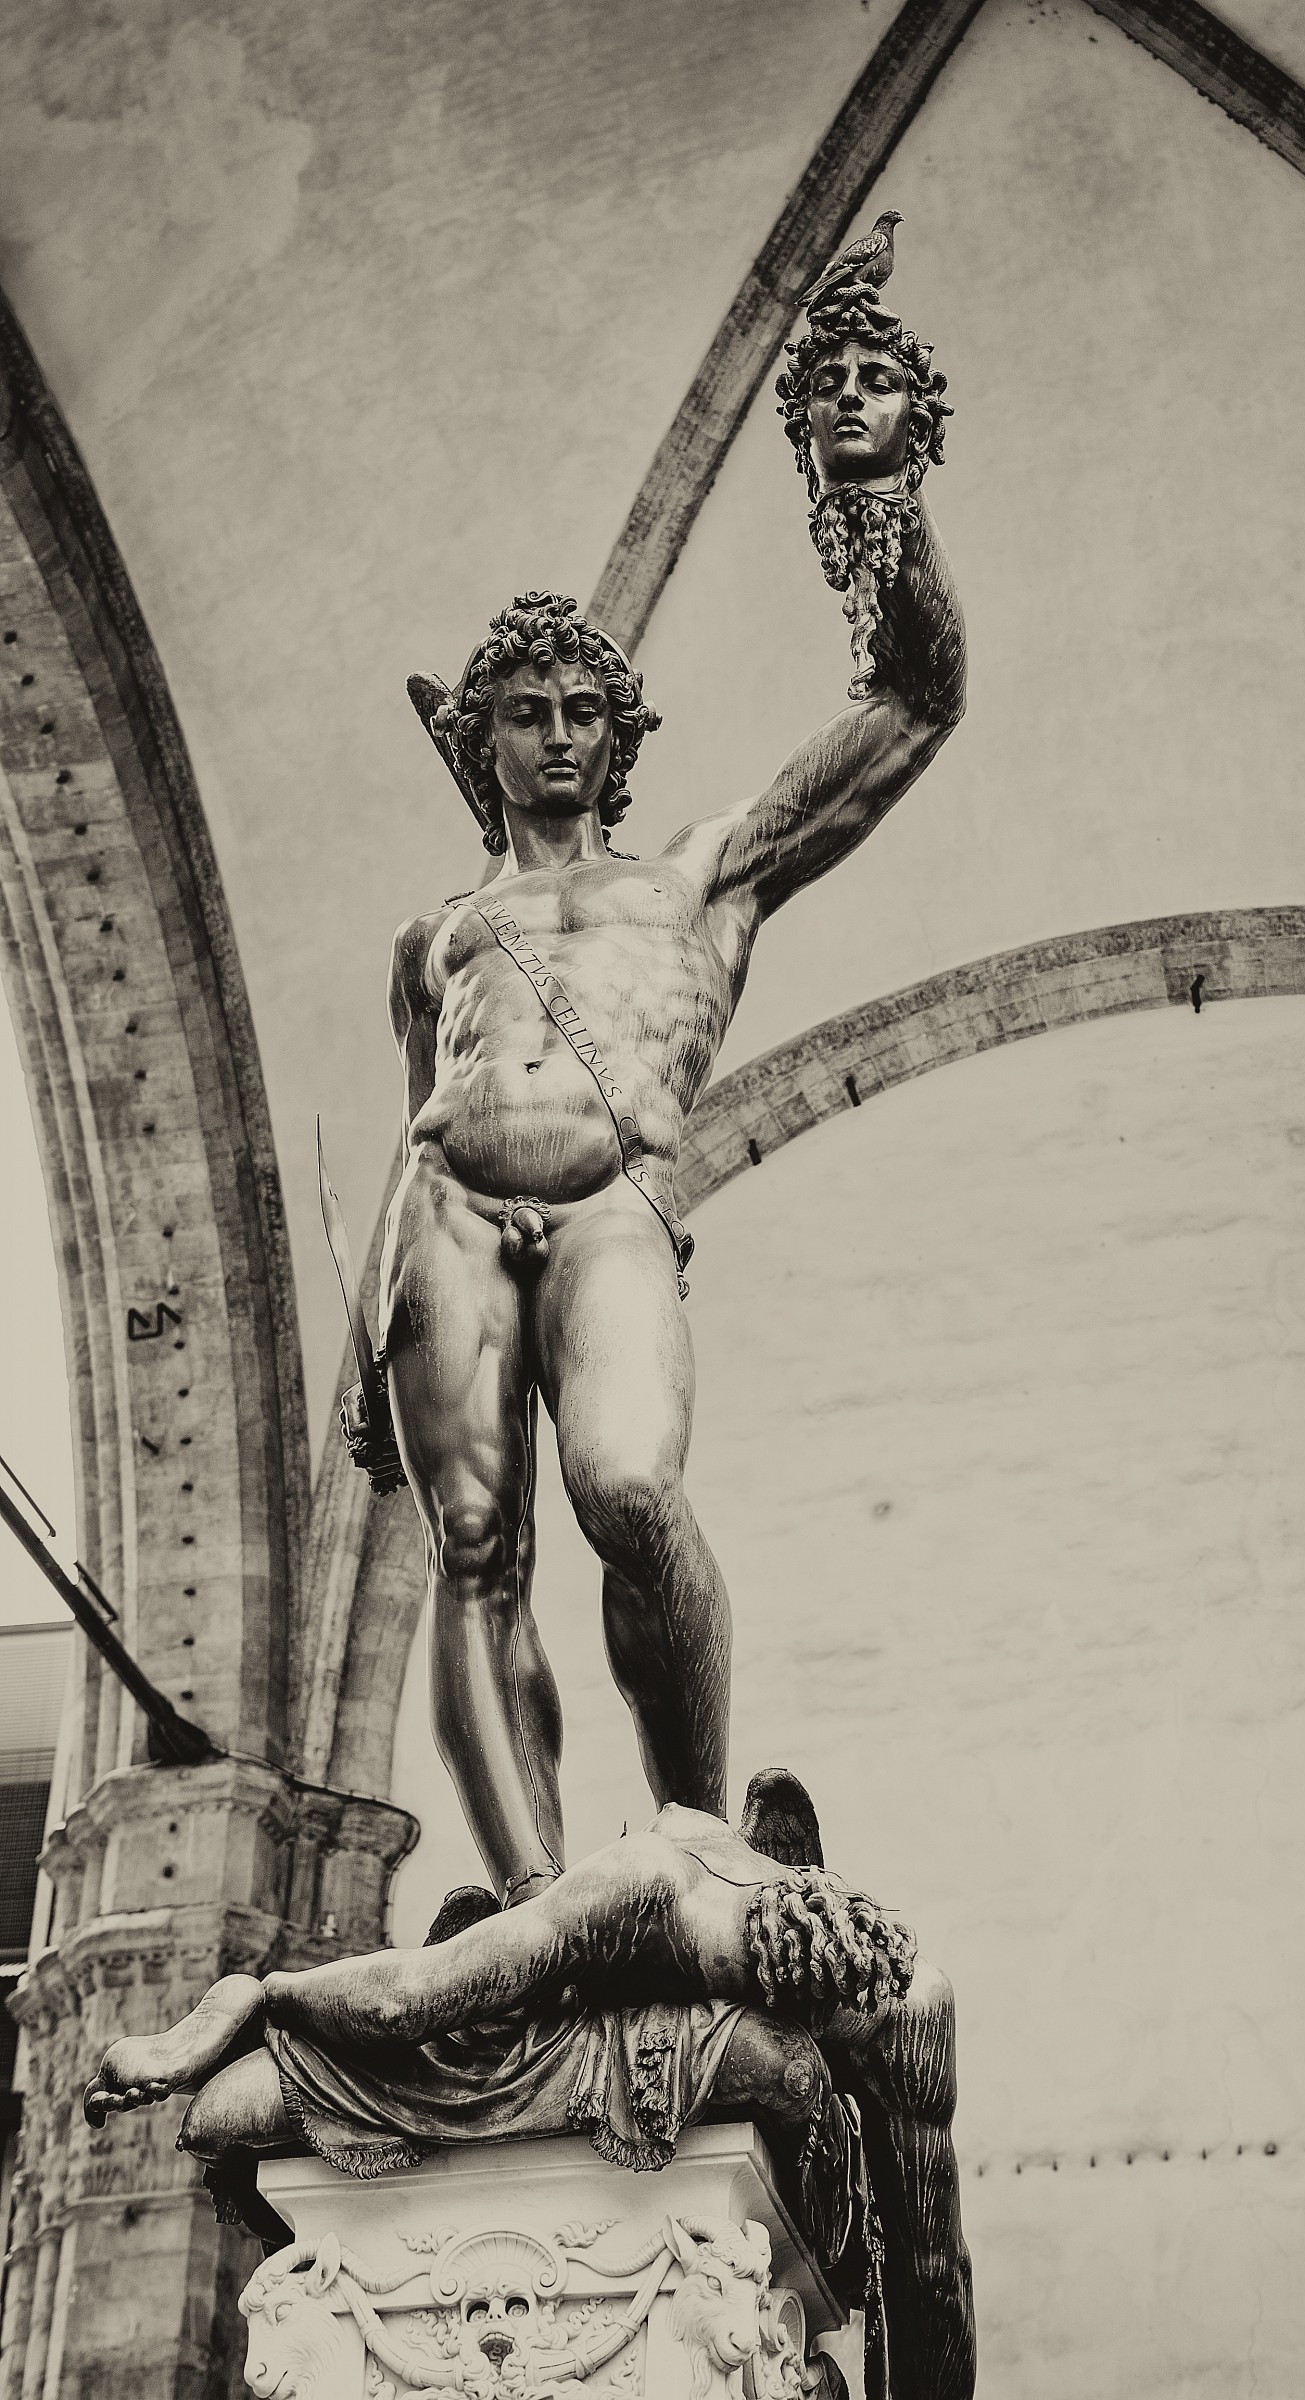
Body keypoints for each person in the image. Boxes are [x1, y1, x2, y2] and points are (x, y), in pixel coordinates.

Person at [348, 305, 965, 1906]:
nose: (554, 736)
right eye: (522, 712)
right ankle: (540, 1893)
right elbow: (420, 1104)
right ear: (478, 739)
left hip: (615, 1192)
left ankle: (692, 1822)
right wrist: (363, 1343)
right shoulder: (435, 934)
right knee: (475, 1553)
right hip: (447, 1219)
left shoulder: (701, 873)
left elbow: (912, 707)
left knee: (625, 1486)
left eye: (581, 713)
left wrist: (879, 491)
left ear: (618, 740)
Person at [85, 1778, 974, 2400]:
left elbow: (932, 2272)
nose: (816, 2054)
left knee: (778, 2076)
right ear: (747, 1977)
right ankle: (259, 2005)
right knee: (228, 2112)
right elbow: (408, 1999)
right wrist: (256, 2002)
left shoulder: (906, 2008)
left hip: (591, 2028)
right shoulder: (650, 1888)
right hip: (503, 2026)